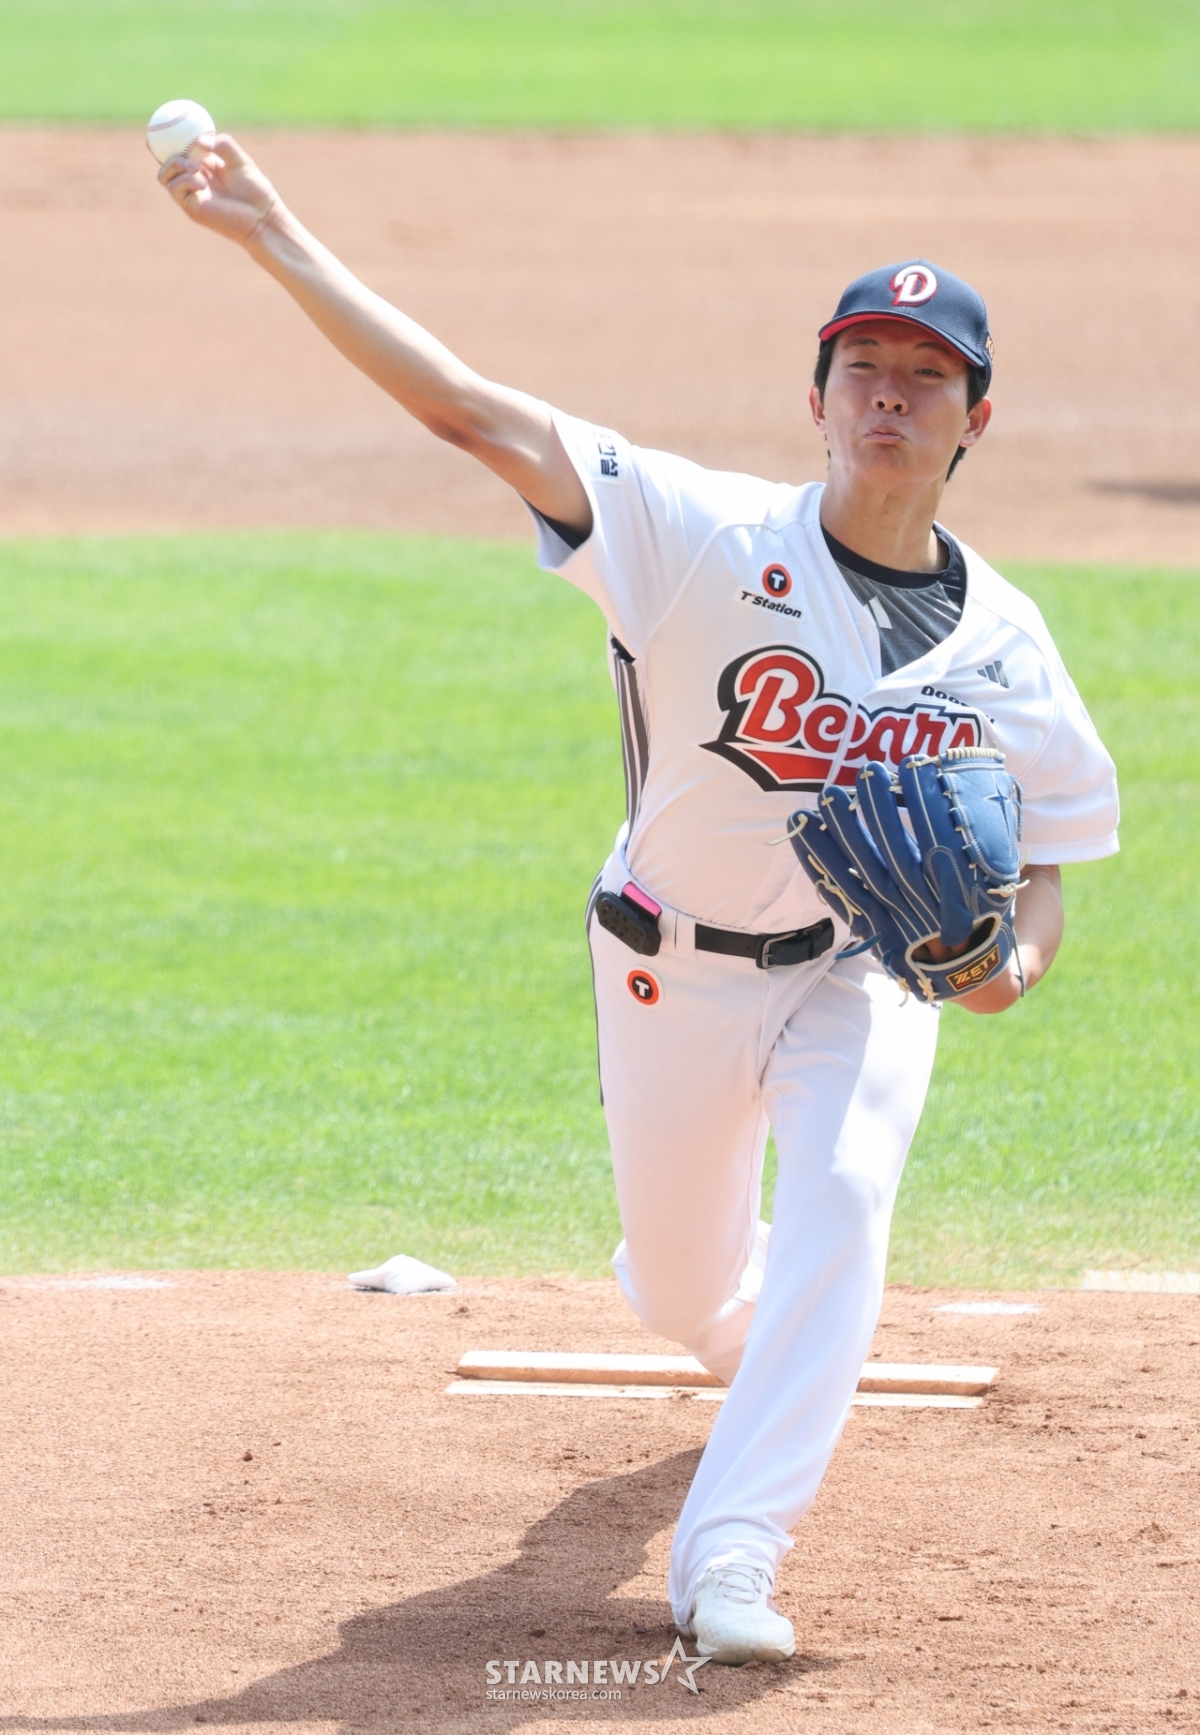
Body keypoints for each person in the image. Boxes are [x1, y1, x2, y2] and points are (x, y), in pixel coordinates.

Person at [157, 139, 1118, 1665]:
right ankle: (746, 1334)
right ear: (817, 400)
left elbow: (1053, 853)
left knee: (846, 1195)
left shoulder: (1008, 639)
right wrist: (271, 230)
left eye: (927, 377)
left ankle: (731, 1555)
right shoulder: (697, 535)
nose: (890, 395)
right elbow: (469, 412)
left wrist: (1017, 967)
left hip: (856, 976)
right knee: (685, 1293)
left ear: (974, 418)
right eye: (864, 368)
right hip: (668, 965)